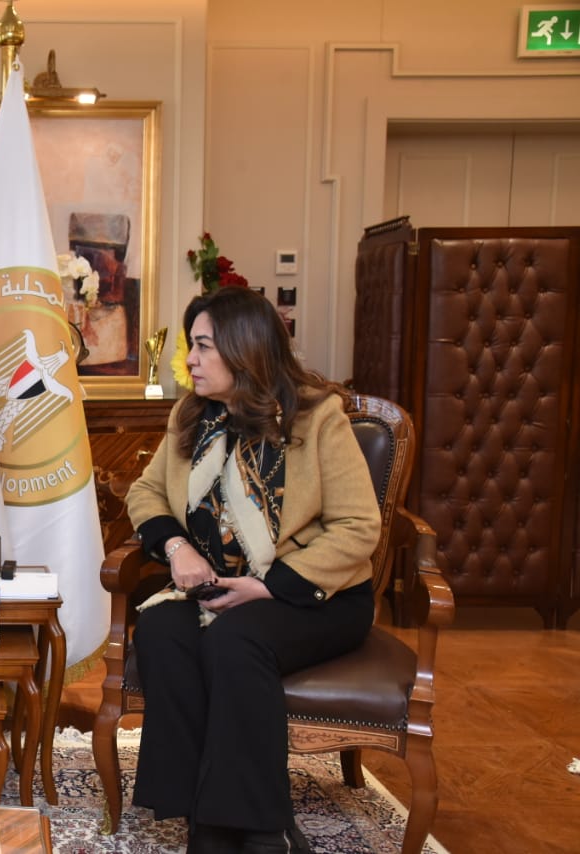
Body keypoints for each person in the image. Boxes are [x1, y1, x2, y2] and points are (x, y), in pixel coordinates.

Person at [125, 287, 381, 853]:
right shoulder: (190, 414)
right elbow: (145, 493)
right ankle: (202, 812)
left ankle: (252, 832)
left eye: (201, 346)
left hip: (313, 597)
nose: (189, 359)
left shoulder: (318, 417)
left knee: (236, 643)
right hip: (216, 588)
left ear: (244, 349)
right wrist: (177, 550)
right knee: (164, 632)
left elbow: (359, 528)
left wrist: (265, 587)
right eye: (191, 346)